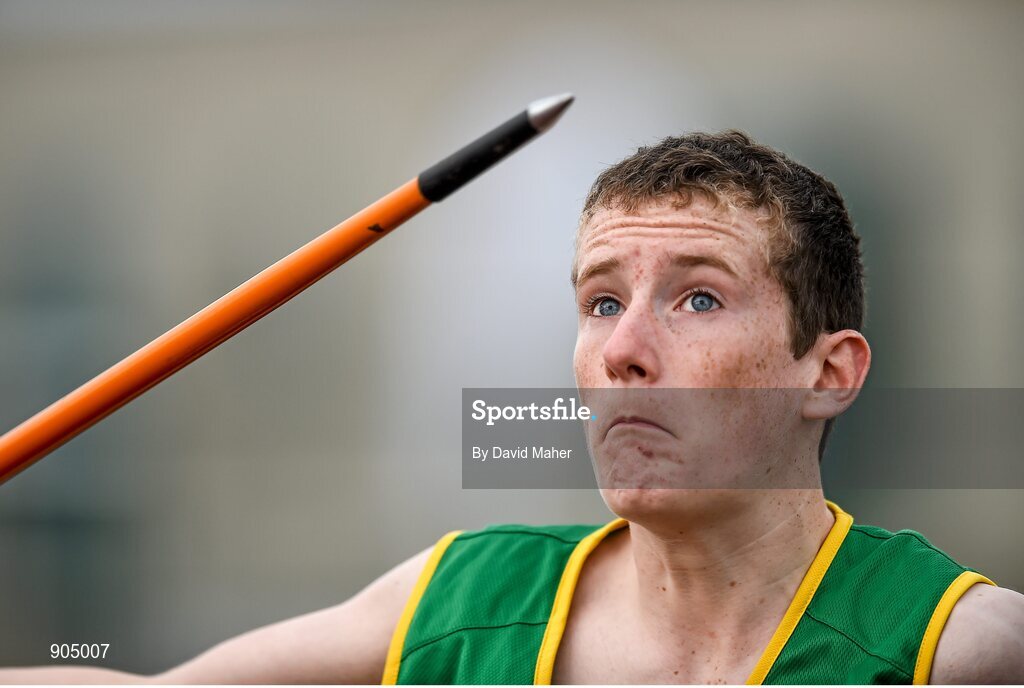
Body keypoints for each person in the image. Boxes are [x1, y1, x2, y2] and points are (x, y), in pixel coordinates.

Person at [3, 131, 1022, 685]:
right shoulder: (461, 602)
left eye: (698, 298)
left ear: (830, 371)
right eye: (600, 302)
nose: (623, 350)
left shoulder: (960, 649)